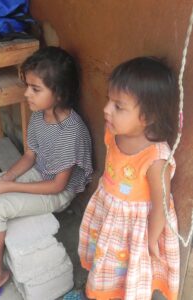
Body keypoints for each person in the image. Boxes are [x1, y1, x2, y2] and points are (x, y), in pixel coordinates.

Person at [0, 46, 93, 298]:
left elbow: (58, 186)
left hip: (58, 193)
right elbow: (29, 156)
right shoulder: (40, 116)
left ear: (59, 93)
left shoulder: (71, 132)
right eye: (27, 86)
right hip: (39, 173)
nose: (27, 94)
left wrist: (9, 187)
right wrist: (3, 180)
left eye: (35, 89)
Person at [76, 57, 180, 300]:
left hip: (134, 229)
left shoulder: (156, 159)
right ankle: (98, 293)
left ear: (149, 116)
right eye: (108, 100)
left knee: (126, 273)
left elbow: (161, 205)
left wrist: (152, 240)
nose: (106, 109)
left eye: (118, 106)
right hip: (110, 216)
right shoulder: (113, 133)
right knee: (106, 265)